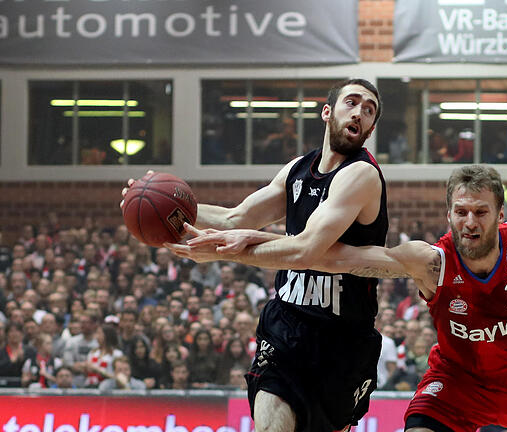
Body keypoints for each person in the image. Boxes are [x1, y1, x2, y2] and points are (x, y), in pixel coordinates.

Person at [174, 165, 507, 432]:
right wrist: (234, 248)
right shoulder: (429, 262)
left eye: (480, 211)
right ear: (449, 212)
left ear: (499, 213)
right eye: (461, 211)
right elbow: (334, 257)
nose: (469, 222)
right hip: (459, 382)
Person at [158, 78, 386, 432]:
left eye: (368, 110)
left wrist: (227, 252)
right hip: (288, 323)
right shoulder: (297, 170)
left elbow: (307, 248)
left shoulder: (360, 174)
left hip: (344, 336)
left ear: (369, 129)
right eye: (352, 102)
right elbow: (236, 218)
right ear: (328, 112)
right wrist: (167, 204)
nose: (359, 112)